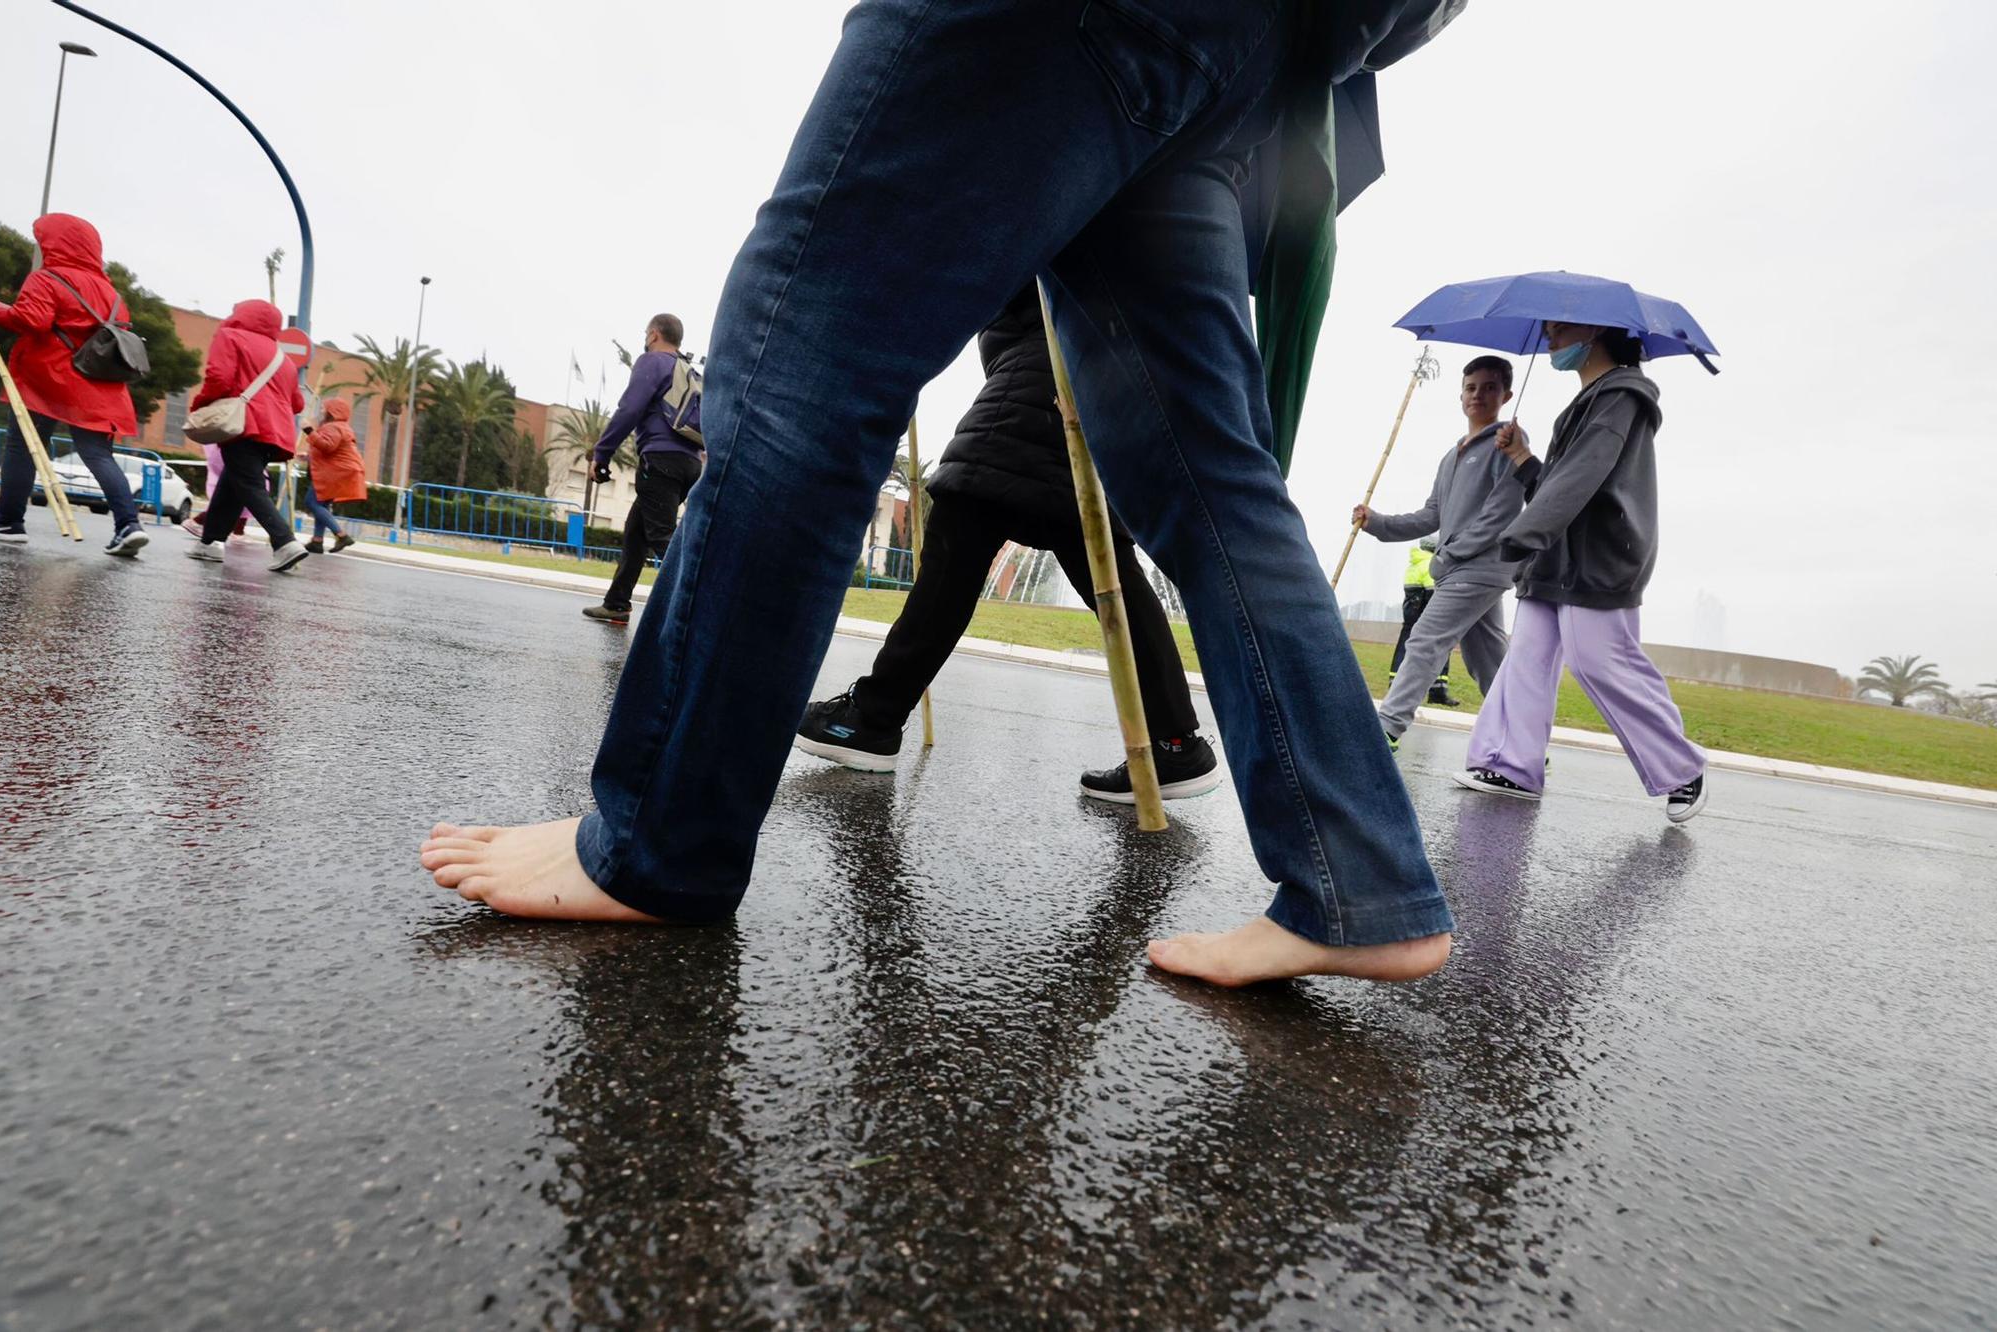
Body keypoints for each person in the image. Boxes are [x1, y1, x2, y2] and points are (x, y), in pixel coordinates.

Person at [421, 1, 1464, 990]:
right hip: (1246, 53)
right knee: (1209, 471)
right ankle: (1358, 880)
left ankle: (658, 840)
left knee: (801, 352)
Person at [794, 285, 1221, 802]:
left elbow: (997, 276)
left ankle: (872, 718)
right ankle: (1175, 743)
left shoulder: (1057, 222)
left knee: (961, 530)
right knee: (1107, 573)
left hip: (1043, 382)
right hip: (1089, 390)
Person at [1455, 321, 1708, 823]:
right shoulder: (1590, 398)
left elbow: (1582, 475)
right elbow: (1558, 482)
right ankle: (1513, 767)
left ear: (1592, 332)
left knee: (1599, 660)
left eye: (1558, 329)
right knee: (1526, 658)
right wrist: (1523, 457)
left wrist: (1525, 530)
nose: (1549, 338)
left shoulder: (1621, 395)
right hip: (1557, 554)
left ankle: (1682, 769)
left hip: (1599, 554)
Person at [1354, 355, 1525, 750]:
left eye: (1489, 387)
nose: (1478, 395)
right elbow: (1432, 515)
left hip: (1477, 568)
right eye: (1471, 387)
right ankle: (1525, 742)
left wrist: (1449, 555)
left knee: (1425, 639)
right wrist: (1376, 522)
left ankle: (1388, 728)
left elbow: (1500, 516)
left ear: (1507, 394)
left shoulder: (1509, 444)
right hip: (1463, 569)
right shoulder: (1452, 456)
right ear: (1461, 395)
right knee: (1489, 662)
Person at [0, 213, 148, 556]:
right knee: (98, 454)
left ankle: (10, 522)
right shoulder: (112, 292)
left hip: (48, 378)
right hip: (99, 382)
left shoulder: (46, 278)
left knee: (23, 448)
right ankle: (128, 524)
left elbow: (31, 320)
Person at [580, 314, 704, 625]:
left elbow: (630, 409)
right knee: (637, 533)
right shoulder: (688, 370)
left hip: (661, 461)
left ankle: (702, 612)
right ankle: (617, 603)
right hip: (689, 464)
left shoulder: (653, 361)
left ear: (653, 335)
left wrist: (602, 453)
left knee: (662, 537)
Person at [183, 299, 309, 572]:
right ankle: (209, 542)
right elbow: (297, 403)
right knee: (233, 485)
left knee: (248, 485)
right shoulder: (282, 358)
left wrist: (201, 406)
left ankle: (285, 542)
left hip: (244, 425)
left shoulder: (230, 336)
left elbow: (219, 377)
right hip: (276, 434)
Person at [1388, 537, 1456, 708]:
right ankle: (1438, 690)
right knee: (1441, 642)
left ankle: (1394, 683)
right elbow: (1434, 592)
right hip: (1426, 606)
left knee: (1405, 644)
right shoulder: (1430, 563)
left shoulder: (1414, 562)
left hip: (1411, 608)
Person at [299, 397, 364, 554]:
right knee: (321, 505)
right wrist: (308, 457)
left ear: (333, 412)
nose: (322, 411)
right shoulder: (340, 427)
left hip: (333, 473)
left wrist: (309, 430)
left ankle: (341, 535)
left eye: (324, 408)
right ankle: (317, 541)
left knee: (312, 503)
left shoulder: (333, 427)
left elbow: (327, 446)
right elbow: (332, 451)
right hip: (339, 471)